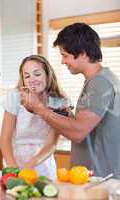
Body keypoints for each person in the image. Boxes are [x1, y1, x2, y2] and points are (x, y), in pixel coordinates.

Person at [20, 23, 120, 178]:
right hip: (92, 178)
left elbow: (78, 132)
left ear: (83, 53)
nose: (62, 61)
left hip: (102, 180)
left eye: (65, 55)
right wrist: (66, 115)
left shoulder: (100, 83)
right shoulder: (94, 81)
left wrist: (39, 108)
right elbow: (82, 127)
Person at [0, 55, 70, 179]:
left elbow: (51, 144)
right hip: (14, 161)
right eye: (27, 76)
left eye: (37, 74)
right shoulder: (14, 96)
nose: (32, 79)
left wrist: (30, 165)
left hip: (43, 164)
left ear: (47, 74)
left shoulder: (58, 101)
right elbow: (5, 139)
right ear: (23, 80)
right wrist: (13, 168)